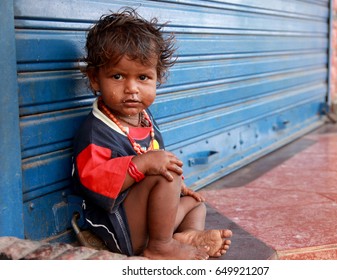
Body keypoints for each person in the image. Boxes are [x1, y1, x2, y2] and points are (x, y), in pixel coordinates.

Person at [72, 8, 232, 260]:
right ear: (94, 79)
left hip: (149, 221)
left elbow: (157, 159)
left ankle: (187, 236)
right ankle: (160, 247)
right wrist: (142, 165)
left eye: (143, 77)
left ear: (158, 78)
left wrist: (179, 186)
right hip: (119, 228)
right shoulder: (96, 132)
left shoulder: (145, 119)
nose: (132, 89)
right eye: (117, 76)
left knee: (195, 203)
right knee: (162, 175)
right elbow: (94, 183)